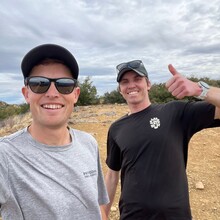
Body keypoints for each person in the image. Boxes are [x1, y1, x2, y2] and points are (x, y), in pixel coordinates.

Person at [0, 44, 109, 220]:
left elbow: (97, 205)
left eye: (64, 85)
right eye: (39, 84)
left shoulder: (89, 143)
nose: (52, 93)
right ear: (26, 93)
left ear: (75, 94)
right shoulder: (5, 155)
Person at [104, 60, 220, 220]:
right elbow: (112, 175)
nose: (131, 85)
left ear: (148, 84)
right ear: (120, 90)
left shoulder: (175, 112)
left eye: (137, 79)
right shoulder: (116, 128)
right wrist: (103, 213)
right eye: (125, 82)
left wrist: (200, 90)